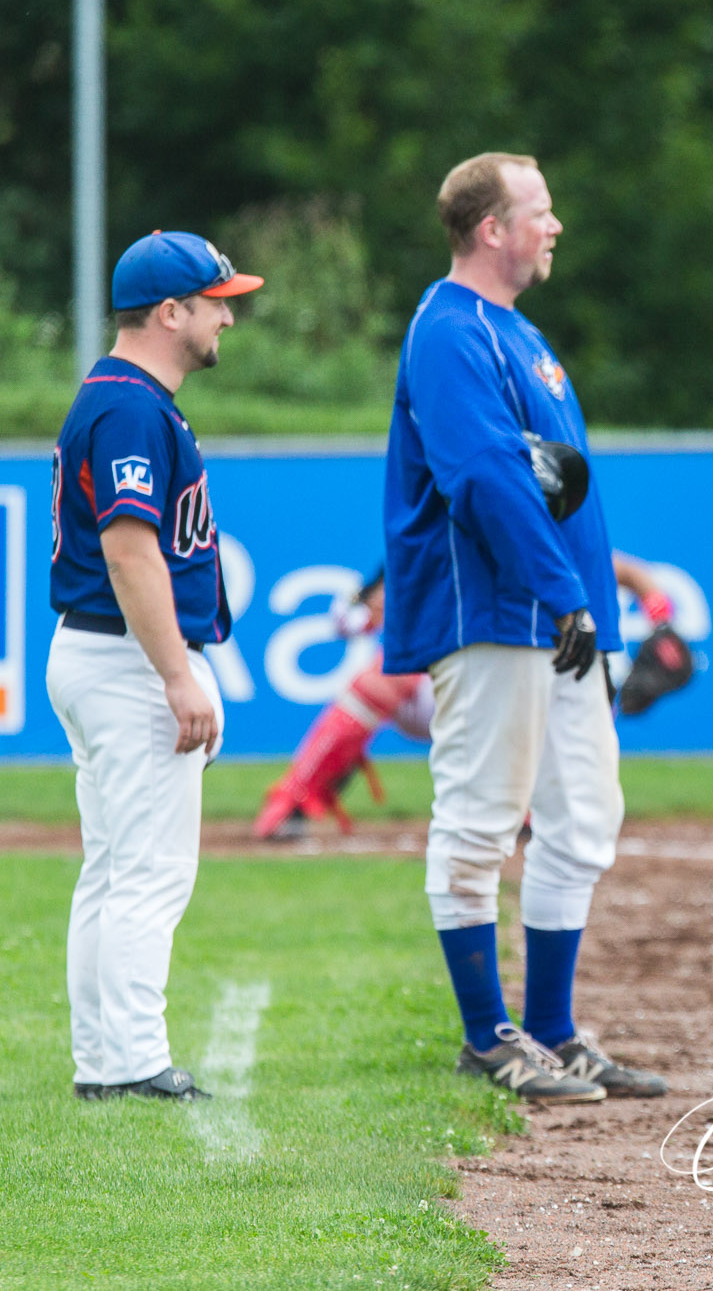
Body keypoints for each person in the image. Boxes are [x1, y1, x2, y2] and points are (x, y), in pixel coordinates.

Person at [382, 152, 665, 1104]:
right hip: (496, 611)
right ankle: (482, 1036)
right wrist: (564, 591)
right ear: (490, 229)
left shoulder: (516, 333)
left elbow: (550, 477)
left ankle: (550, 1031)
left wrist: (580, 595)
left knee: (582, 819)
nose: (554, 226)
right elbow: (484, 477)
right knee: (478, 817)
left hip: (556, 613)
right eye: (538, 212)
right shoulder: (448, 334)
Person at [46, 230, 263, 1101]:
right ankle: (133, 1062)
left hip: (98, 652)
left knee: (112, 866)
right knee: (149, 870)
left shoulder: (122, 397)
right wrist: (178, 673)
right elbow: (131, 550)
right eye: (217, 301)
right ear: (170, 312)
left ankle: (104, 1063)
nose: (229, 317)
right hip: (124, 658)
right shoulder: (131, 406)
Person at [252, 555, 680, 841]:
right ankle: (297, 797)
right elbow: (349, 620)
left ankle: (542, 806)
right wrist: (375, 607)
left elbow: (625, 570)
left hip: (521, 693)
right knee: (382, 674)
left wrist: (660, 617)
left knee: (583, 683)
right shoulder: (431, 548)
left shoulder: (543, 542)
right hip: (445, 689)